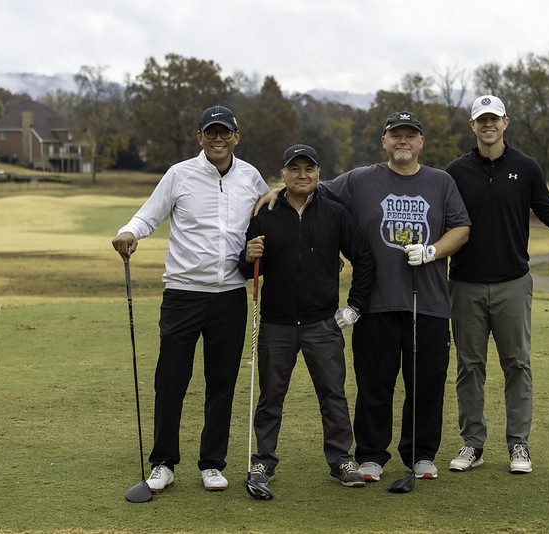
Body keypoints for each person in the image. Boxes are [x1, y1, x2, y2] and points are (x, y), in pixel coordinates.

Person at [256, 111, 470, 482]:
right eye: (395, 135)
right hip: (377, 303)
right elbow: (311, 188)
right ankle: (371, 454)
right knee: (374, 383)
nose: (402, 141)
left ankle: (420, 455)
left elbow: (461, 227)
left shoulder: (441, 181)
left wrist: (434, 251)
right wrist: (277, 191)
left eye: (410, 135)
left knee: (426, 384)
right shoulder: (359, 179)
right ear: (384, 141)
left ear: (420, 142)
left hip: (429, 302)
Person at [445, 95, 549, 474]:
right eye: (481, 120)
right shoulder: (455, 171)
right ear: (472, 126)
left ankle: (519, 444)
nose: (488, 125)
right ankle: (473, 443)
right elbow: (443, 222)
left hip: (513, 283)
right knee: (470, 366)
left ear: (506, 122)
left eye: (494, 119)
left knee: (517, 363)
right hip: (465, 283)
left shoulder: (525, 167)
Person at [111, 105, 270, 493]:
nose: (218, 139)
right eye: (210, 133)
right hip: (184, 293)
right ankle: (163, 462)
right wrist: (129, 231)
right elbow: (149, 215)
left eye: (225, 133)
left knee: (222, 382)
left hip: (232, 295)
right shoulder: (179, 174)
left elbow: (274, 212)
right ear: (200, 137)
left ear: (236, 136)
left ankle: (212, 463)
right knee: (171, 380)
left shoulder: (250, 176)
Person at [238, 144, 375, 490]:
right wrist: (247, 255)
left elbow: (364, 258)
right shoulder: (264, 214)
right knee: (271, 396)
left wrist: (355, 306)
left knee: (332, 394)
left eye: (308, 169)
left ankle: (341, 460)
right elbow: (251, 268)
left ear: (318, 174)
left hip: (322, 323)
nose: (302, 175)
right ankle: (263, 463)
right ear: (282, 174)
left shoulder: (335, 213)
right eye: (294, 169)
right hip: (276, 323)